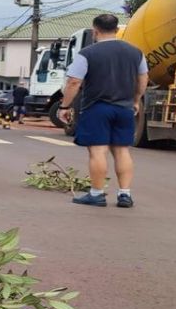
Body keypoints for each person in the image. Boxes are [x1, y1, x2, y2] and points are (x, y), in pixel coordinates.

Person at [58, 13, 148, 208]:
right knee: (122, 151)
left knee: (98, 151)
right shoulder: (136, 52)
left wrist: (64, 106)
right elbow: (143, 78)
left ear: (95, 31)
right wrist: (136, 100)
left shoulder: (87, 54)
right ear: (117, 30)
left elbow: (74, 82)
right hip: (124, 108)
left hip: (97, 108)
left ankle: (97, 194)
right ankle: (125, 194)